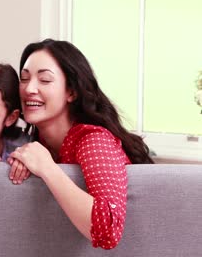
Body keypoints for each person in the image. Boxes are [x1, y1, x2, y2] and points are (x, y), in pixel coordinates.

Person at [9, 39, 154, 249]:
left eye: (45, 80)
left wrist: (47, 168)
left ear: (72, 92)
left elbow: (108, 231)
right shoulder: (39, 144)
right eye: (24, 79)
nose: (29, 88)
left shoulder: (94, 140)